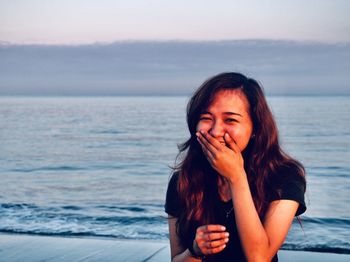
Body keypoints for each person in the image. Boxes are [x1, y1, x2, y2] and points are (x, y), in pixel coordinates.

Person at [165, 72, 306, 261]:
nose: (215, 131)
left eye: (230, 120)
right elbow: (176, 259)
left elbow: (259, 258)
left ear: (255, 128)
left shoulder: (284, 177)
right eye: (206, 118)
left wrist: (236, 177)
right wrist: (194, 251)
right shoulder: (183, 181)